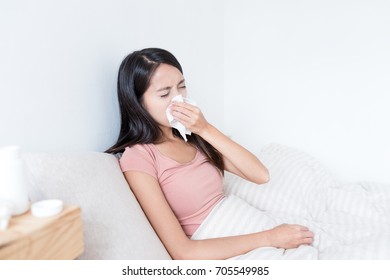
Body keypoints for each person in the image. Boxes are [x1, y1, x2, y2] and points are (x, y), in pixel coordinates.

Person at [106, 48, 314, 260]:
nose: (178, 99)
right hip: (235, 247)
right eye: (164, 93)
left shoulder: (192, 137)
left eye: (182, 87)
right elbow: (183, 252)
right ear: (137, 103)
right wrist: (269, 238)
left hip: (257, 231)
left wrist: (205, 129)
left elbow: (260, 175)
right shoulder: (139, 157)